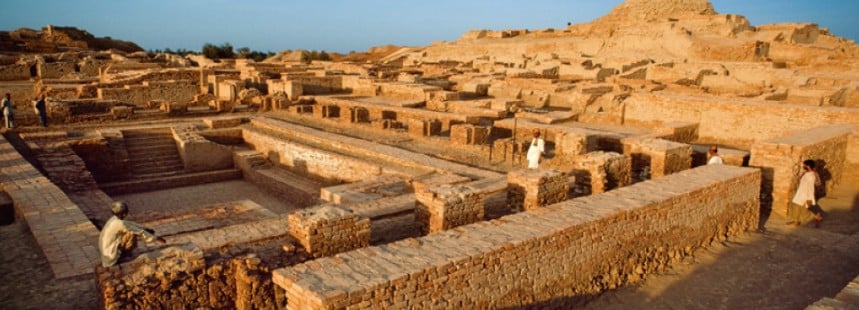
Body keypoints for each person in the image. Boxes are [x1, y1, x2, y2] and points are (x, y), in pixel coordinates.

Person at [98, 201, 166, 267]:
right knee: (131, 233)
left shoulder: (113, 219)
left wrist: (145, 228)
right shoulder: (120, 223)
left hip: (106, 253)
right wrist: (157, 238)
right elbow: (139, 232)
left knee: (128, 231)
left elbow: (130, 224)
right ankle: (126, 255)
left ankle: (123, 253)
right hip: (111, 257)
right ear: (123, 213)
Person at [786, 160, 824, 228]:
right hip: (800, 193)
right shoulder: (806, 173)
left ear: (808, 166)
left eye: (804, 165)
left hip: (805, 195)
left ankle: (816, 216)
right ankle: (796, 221)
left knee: (802, 210)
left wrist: (809, 198)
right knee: (797, 207)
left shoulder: (812, 176)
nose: (803, 166)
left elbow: (810, 188)